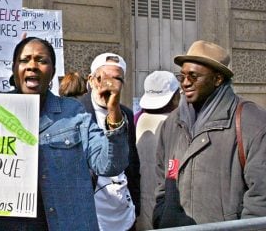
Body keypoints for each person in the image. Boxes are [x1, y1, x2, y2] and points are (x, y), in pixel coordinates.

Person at [0, 37, 129, 231]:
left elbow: (110, 165)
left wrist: (113, 110)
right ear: (14, 69)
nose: (32, 66)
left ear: (53, 73)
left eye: (42, 60)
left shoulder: (74, 113)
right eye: (25, 60)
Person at [153, 40, 266, 228]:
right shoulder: (172, 123)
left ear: (218, 79)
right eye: (182, 77)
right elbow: (162, 180)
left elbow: (261, 197)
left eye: (194, 76)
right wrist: (162, 216)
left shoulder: (252, 122)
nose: (185, 83)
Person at [78, 53, 140, 231]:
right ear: (91, 80)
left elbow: (133, 162)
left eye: (117, 79)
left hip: (124, 215)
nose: (108, 85)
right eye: (103, 78)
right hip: (92, 215)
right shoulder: (76, 112)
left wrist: (137, 206)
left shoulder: (126, 114)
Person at [135, 71, 179, 230]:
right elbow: (174, 165)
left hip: (141, 202)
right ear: (175, 97)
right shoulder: (176, 124)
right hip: (167, 199)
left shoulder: (138, 119)